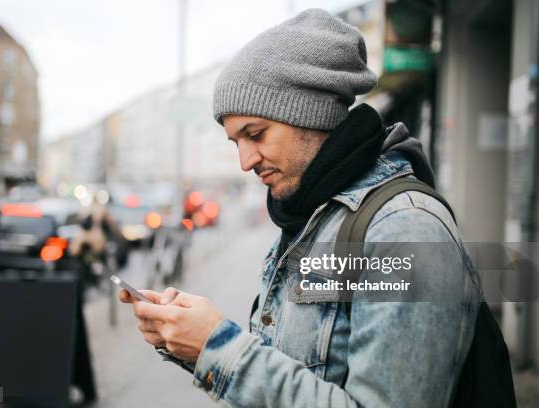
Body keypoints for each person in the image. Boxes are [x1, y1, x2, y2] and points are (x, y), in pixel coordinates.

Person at [119, 9, 481, 407]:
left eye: (255, 134)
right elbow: (294, 369)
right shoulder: (314, 214)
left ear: (311, 114)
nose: (245, 161)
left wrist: (216, 344)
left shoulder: (403, 232)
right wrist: (194, 343)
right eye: (234, 142)